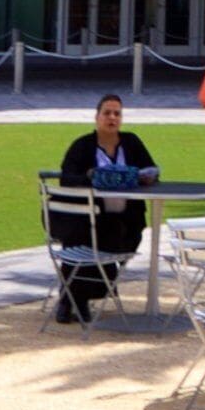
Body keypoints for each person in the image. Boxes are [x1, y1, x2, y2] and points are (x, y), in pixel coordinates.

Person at [47, 94, 161, 324]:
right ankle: (76, 300)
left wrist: (144, 177)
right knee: (84, 238)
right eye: (107, 113)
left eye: (117, 113)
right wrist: (92, 178)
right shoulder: (82, 146)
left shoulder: (131, 142)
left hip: (125, 220)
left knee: (109, 234)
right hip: (84, 218)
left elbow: (151, 169)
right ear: (97, 117)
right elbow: (67, 178)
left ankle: (71, 299)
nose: (112, 118)